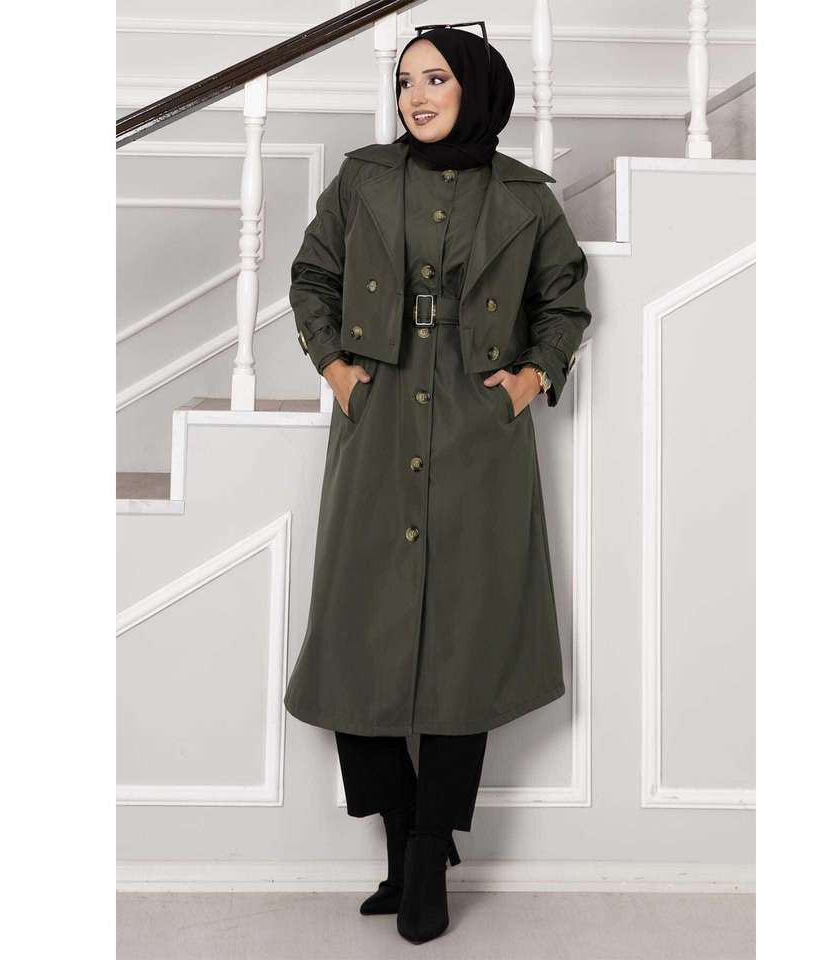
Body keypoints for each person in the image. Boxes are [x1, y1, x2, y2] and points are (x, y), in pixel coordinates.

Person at [284, 22, 592, 944]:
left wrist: (529, 382)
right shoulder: (363, 180)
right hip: (377, 412)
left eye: (436, 79)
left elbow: (564, 302)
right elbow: (311, 277)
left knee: (468, 640)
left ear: (477, 89)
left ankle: (425, 855)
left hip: (476, 423)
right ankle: (400, 833)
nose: (415, 96)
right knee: (354, 634)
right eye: (406, 81)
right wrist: (337, 370)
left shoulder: (526, 197)